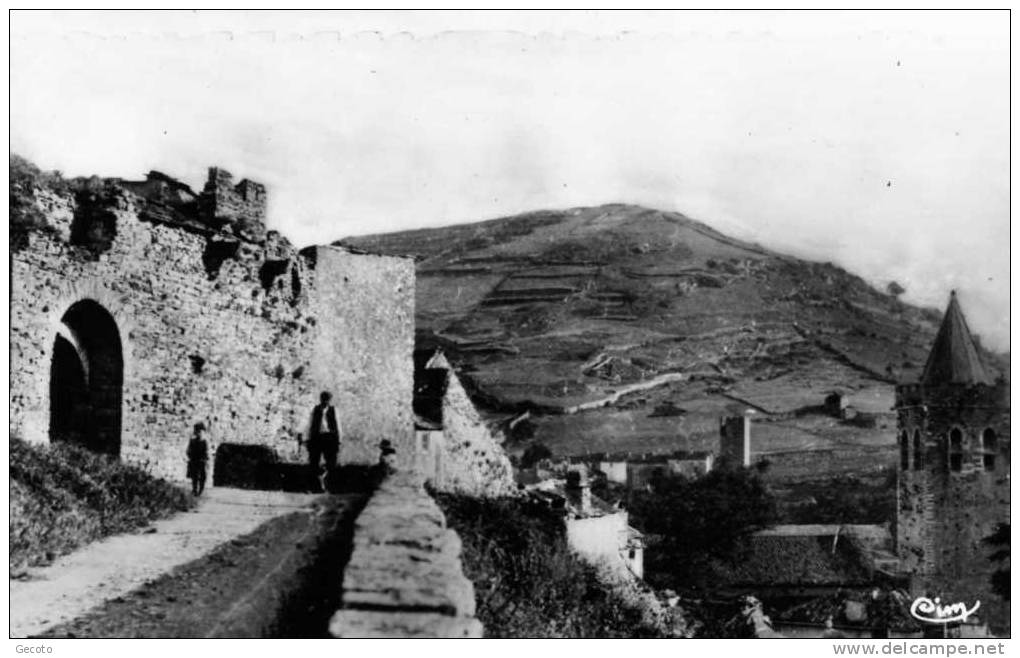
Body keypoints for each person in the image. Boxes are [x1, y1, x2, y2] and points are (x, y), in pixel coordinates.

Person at [307, 391, 341, 491]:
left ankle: (331, 486)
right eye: (324, 399)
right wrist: (309, 438)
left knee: (331, 462)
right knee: (314, 462)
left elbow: (338, 426)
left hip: (329, 437)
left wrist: (339, 440)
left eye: (327, 400)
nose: (325, 401)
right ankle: (315, 487)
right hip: (317, 437)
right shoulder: (315, 409)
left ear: (330, 400)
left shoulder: (334, 410)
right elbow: (310, 424)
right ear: (321, 399)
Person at [186, 422, 209, 496]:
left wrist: (205, 459)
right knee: (194, 476)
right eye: (197, 431)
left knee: (202, 477)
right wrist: (190, 456)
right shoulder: (192, 441)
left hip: (201, 461)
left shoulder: (204, 442)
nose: (199, 433)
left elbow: (206, 452)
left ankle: (200, 490)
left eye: (200, 431)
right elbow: (188, 451)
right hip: (194, 460)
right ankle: (194, 490)